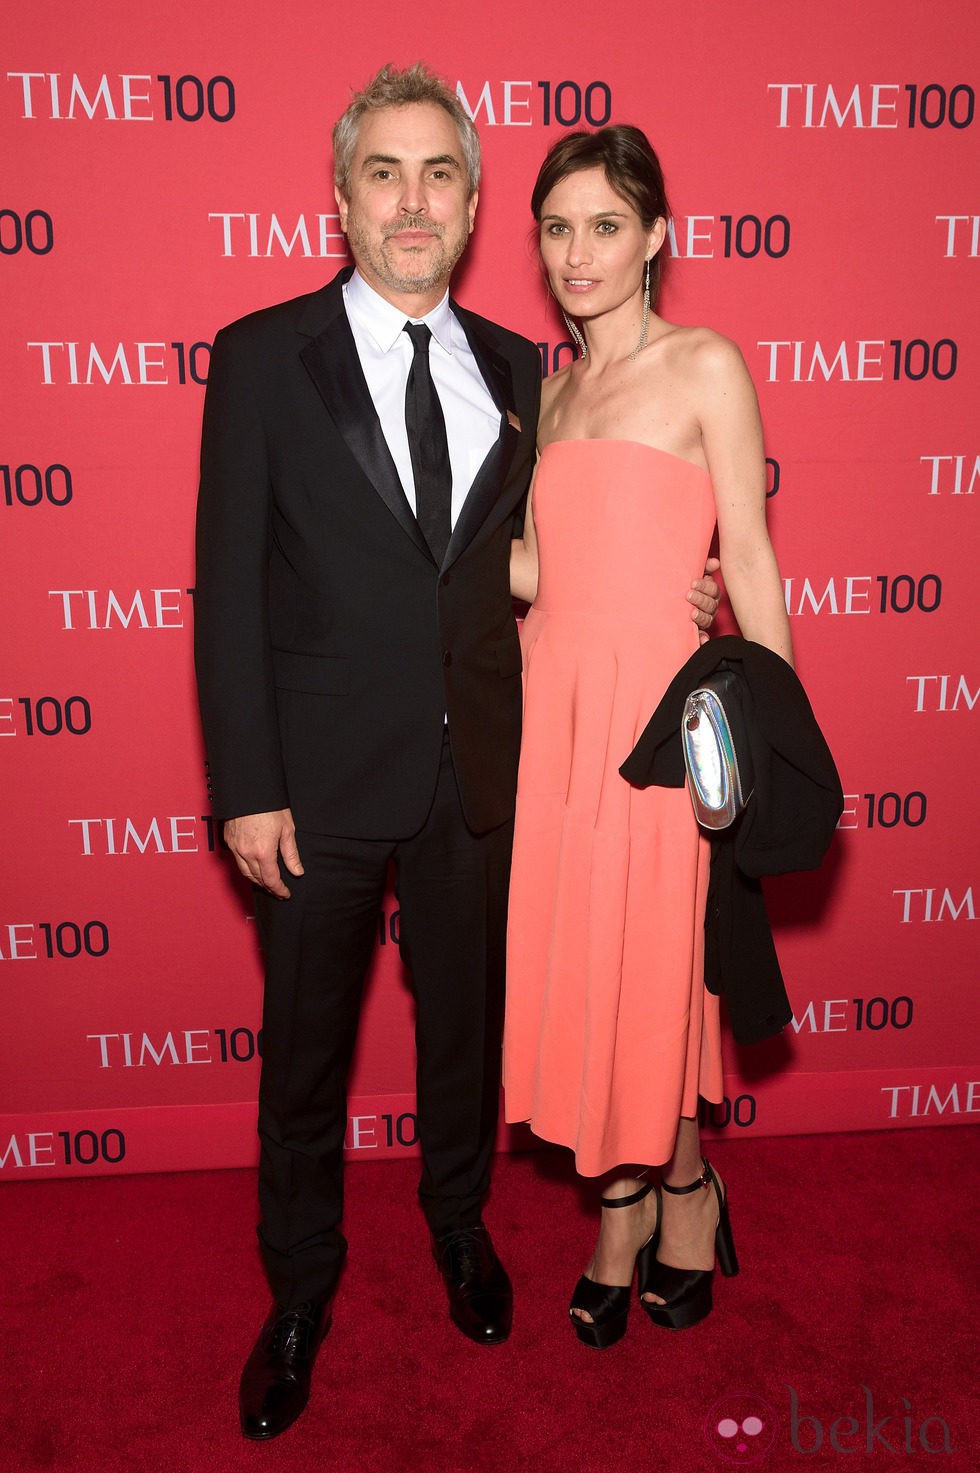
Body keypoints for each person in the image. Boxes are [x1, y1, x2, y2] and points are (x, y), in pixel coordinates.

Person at [195, 67, 721, 1438]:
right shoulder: (260, 357)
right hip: (312, 787)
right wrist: (244, 785)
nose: (413, 199)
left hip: (484, 776)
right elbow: (227, 589)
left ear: (477, 204)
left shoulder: (519, 365)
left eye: (441, 174)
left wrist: (684, 592)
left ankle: (460, 1228)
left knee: (462, 1042)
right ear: (343, 194)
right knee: (304, 1058)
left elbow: (550, 557)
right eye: (385, 172)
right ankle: (301, 1288)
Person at [504, 125, 794, 1349]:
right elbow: (527, 568)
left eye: (605, 227)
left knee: (653, 976)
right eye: (558, 228)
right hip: (553, 719)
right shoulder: (543, 389)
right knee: (587, 977)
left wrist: (775, 735)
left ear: (655, 239)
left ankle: (659, 1201)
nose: (578, 253)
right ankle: (647, 1197)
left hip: (661, 729)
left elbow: (753, 560)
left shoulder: (704, 367)